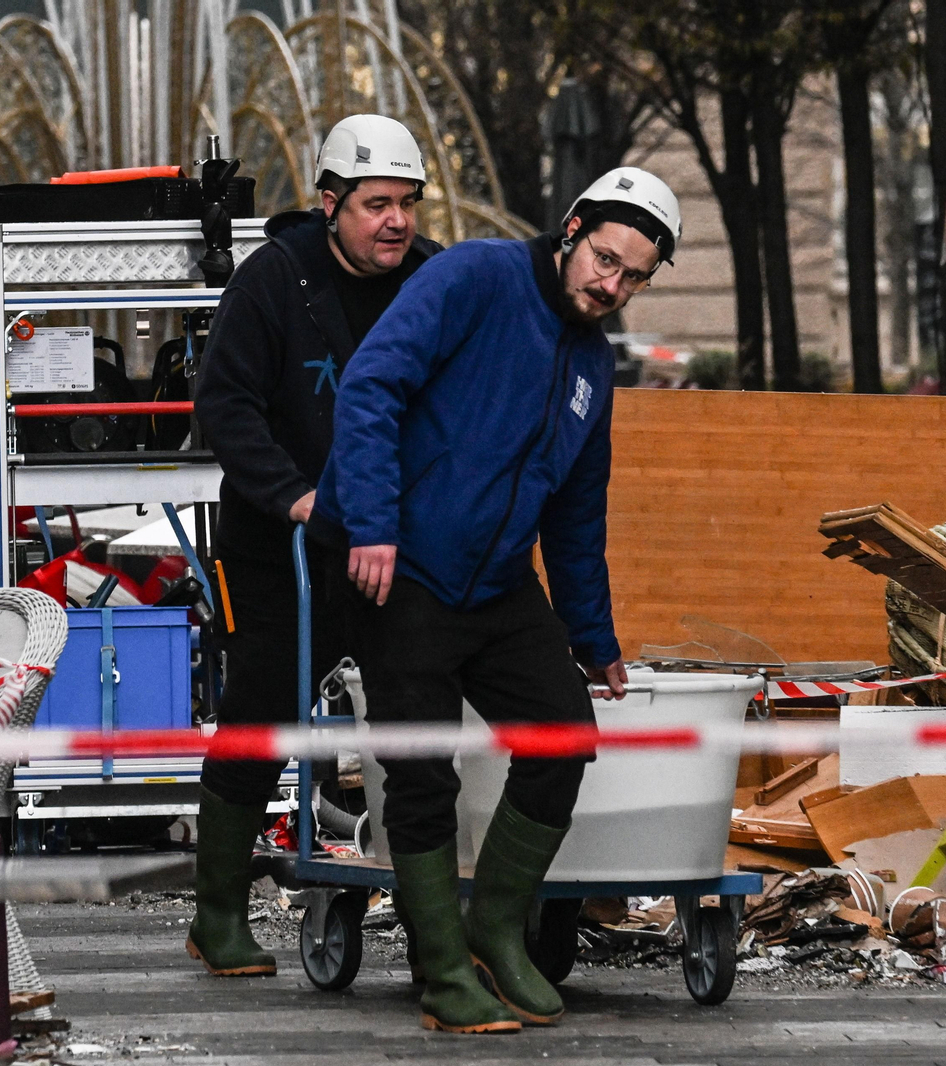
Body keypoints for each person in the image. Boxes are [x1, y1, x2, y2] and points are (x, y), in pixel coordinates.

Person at [311, 167, 682, 1032]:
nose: (610, 284)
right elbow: (370, 388)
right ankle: (443, 972)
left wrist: (596, 638)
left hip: (498, 584)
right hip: (396, 568)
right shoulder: (473, 277)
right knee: (421, 772)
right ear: (573, 228)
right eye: (604, 259)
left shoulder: (592, 364)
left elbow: (576, 513)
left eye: (633, 276)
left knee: (563, 734)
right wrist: (371, 524)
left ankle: (493, 930)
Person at [186, 114, 440, 977]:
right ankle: (217, 910)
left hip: (394, 542)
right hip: (280, 542)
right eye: (376, 205)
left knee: (414, 712)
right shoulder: (272, 282)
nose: (395, 222)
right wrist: (291, 496)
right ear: (331, 204)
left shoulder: (433, 280)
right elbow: (226, 406)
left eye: (407, 203)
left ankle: (431, 902)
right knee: (262, 709)